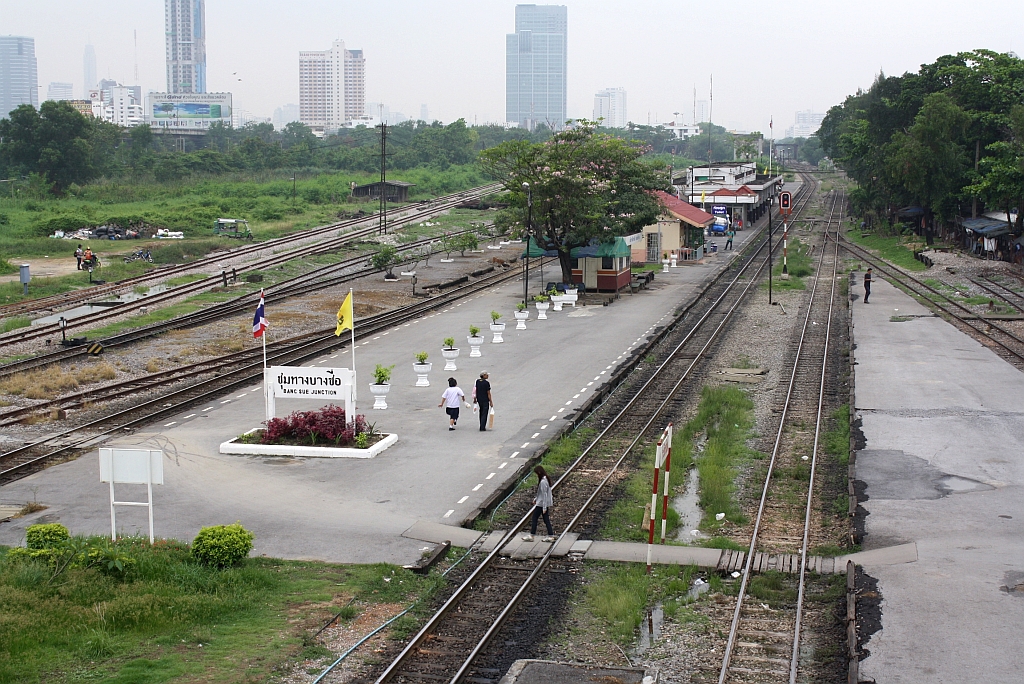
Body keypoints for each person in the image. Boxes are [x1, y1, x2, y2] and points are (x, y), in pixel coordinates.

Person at [523, 465, 555, 542]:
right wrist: (536, 499)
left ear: (539, 472)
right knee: (546, 519)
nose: (537, 475)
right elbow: (540, 494)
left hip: (541, 504)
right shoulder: (545, 479)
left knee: (535, 518)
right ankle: (550, 535)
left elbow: (544, 494)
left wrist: (544, 507)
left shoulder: (543, 482)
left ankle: (532, 535)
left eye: (537, 473)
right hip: (541, 503)